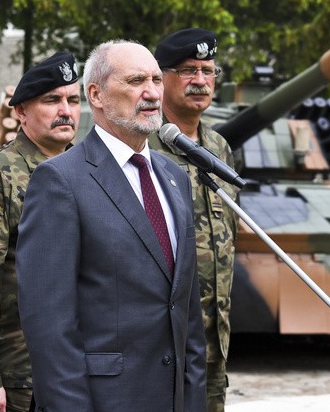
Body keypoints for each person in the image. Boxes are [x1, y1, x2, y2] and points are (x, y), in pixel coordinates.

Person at [16, 40, 207, 411]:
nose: (152, 92)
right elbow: (49, 326)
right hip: (103, 401)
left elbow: (187, 315)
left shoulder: (174, 177)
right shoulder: (59, 181)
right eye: (136, 81)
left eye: (155, 79)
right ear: (96, 95)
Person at [0, 51, 81, 412]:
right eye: (52, 100)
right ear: (21, 112)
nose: (66, 110)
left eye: (73, 100)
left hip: (78, 365)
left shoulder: (86, 170)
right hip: (19, 373)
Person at [148, 28, 238, 412]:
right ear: (161, 77)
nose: (200, 81)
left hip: (213, 339)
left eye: (208, 70)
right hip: (159, 342)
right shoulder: (142, 146)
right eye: (187, 71)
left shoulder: (217, 148)